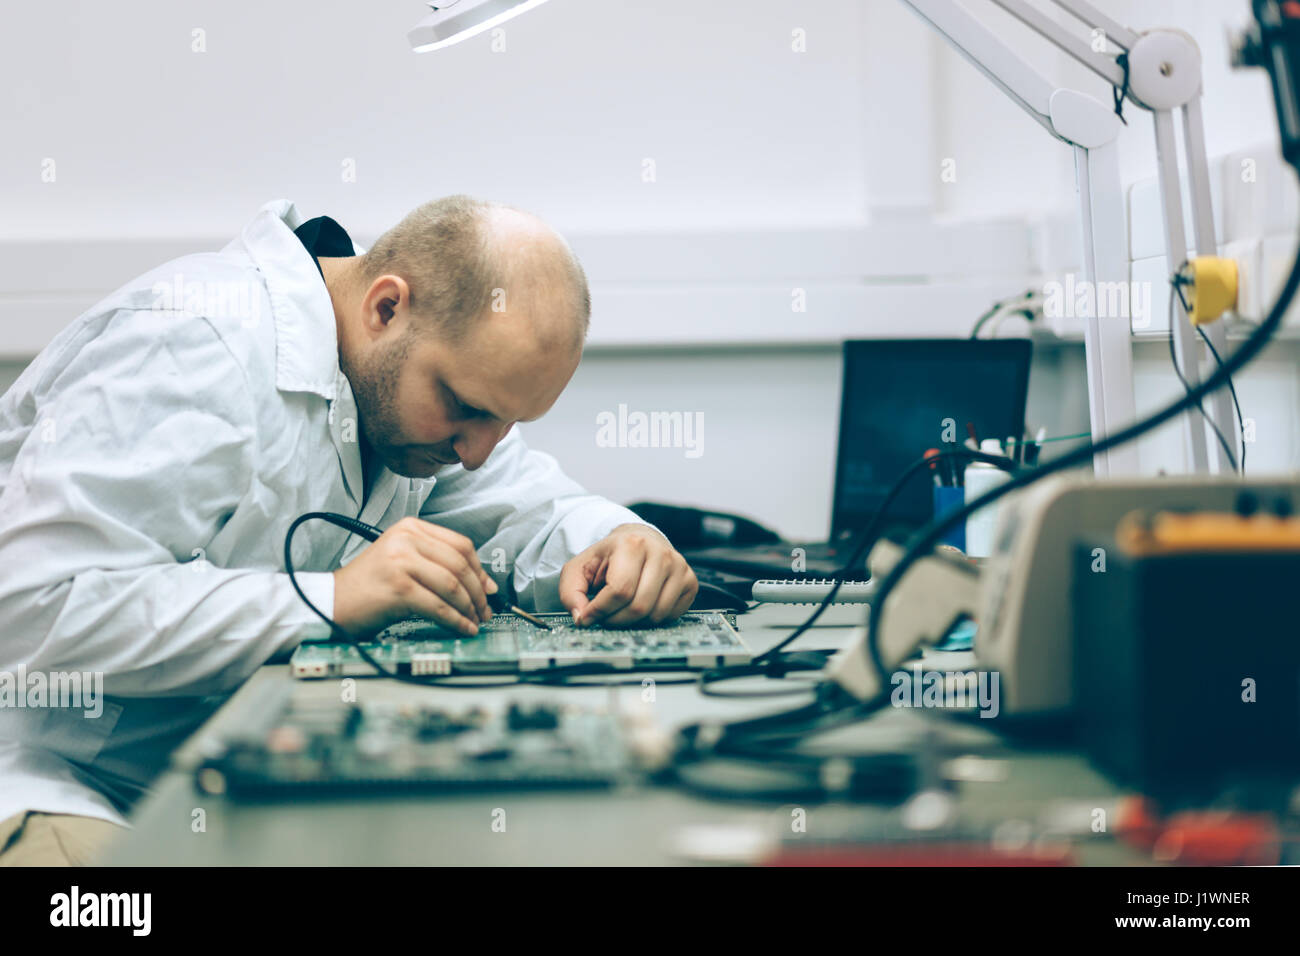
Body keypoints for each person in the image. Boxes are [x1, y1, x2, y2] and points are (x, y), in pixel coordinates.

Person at [0, 196, 698, 864]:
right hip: (50, 778)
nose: (477, 448)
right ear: (385, 308)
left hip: (216, 774)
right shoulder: (194, 343)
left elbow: (524, 504)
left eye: (506, 422)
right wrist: (330, 599)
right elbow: (33, 605)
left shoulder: (395, 379)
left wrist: (617, 539)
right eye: (465, 407)